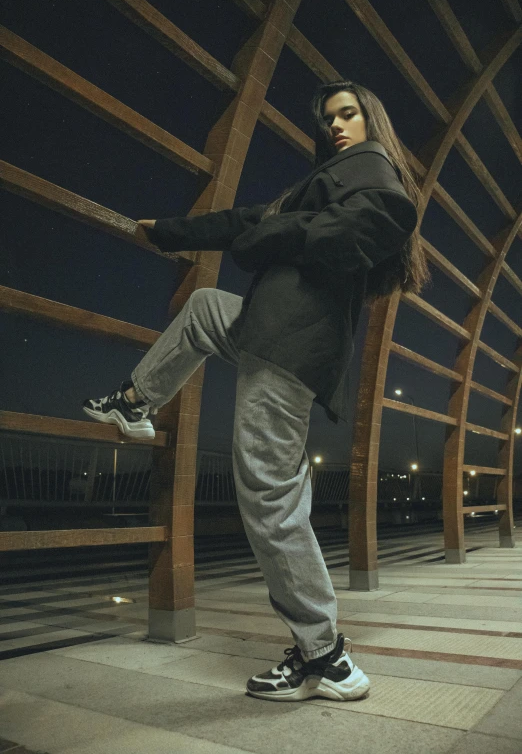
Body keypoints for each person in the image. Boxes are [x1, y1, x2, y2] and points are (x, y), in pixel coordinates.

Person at [83, 80, 430, 702]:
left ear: (371, 119)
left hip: (288, 349)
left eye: (348, 113)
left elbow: (361, 228)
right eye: (329, 118)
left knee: (270, 502)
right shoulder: (323, 185)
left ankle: (326, 657)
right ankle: (135, 403)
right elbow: (246, 221)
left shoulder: (374, 178)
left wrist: (276, 236)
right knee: (204, 307)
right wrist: (168, 231)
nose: (336, 126)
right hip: (265, 329)